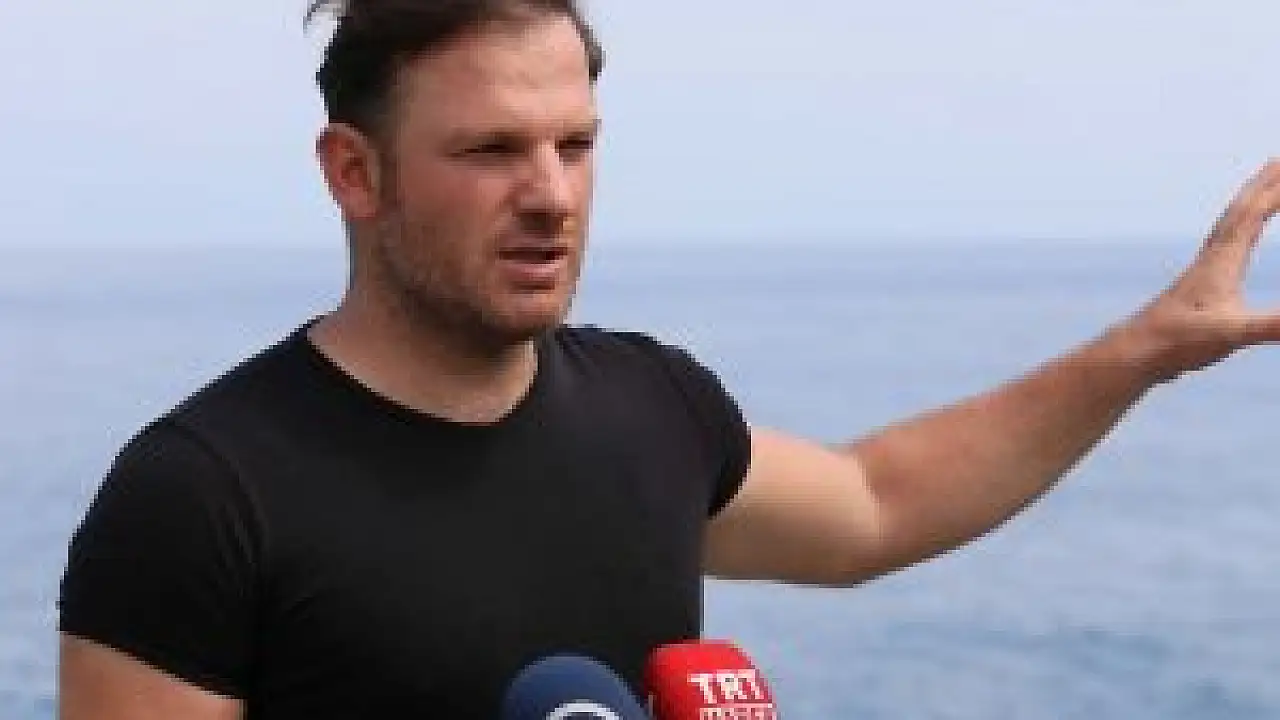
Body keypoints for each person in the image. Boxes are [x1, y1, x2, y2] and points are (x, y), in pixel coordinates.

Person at [56, 0, 1280, 718]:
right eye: (490, 151)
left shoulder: (650, 405)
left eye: (574, 145)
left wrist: (1142, 352)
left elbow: (874, 503)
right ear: (353, 173)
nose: (550, 195)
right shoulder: (203, 494)